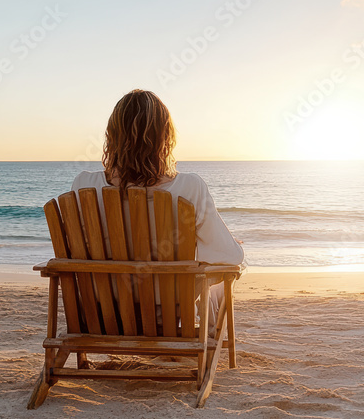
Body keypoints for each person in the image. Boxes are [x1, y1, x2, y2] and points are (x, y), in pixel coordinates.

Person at [70, 89, 245, 334]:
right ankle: (210, 336)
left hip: (102, 313)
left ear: (112, 136)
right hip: (167, 314)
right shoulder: (190, 187)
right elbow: (231, 257)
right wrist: (221, 245)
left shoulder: (84, 185)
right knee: (230, 265)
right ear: (166, 137)